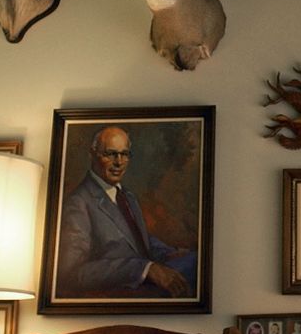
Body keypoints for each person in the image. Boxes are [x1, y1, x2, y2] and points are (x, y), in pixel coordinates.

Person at [56, 126, 196, 298]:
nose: (119, 162)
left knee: (194, 262)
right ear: (92, 154)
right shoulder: (78, 203)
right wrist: (145, 269)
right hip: (119, 295)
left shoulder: (127, 196)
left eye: (124, 154)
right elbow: (72, 273)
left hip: (143, 289)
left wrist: (169, 252)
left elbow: (137, 239)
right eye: (111, 154)